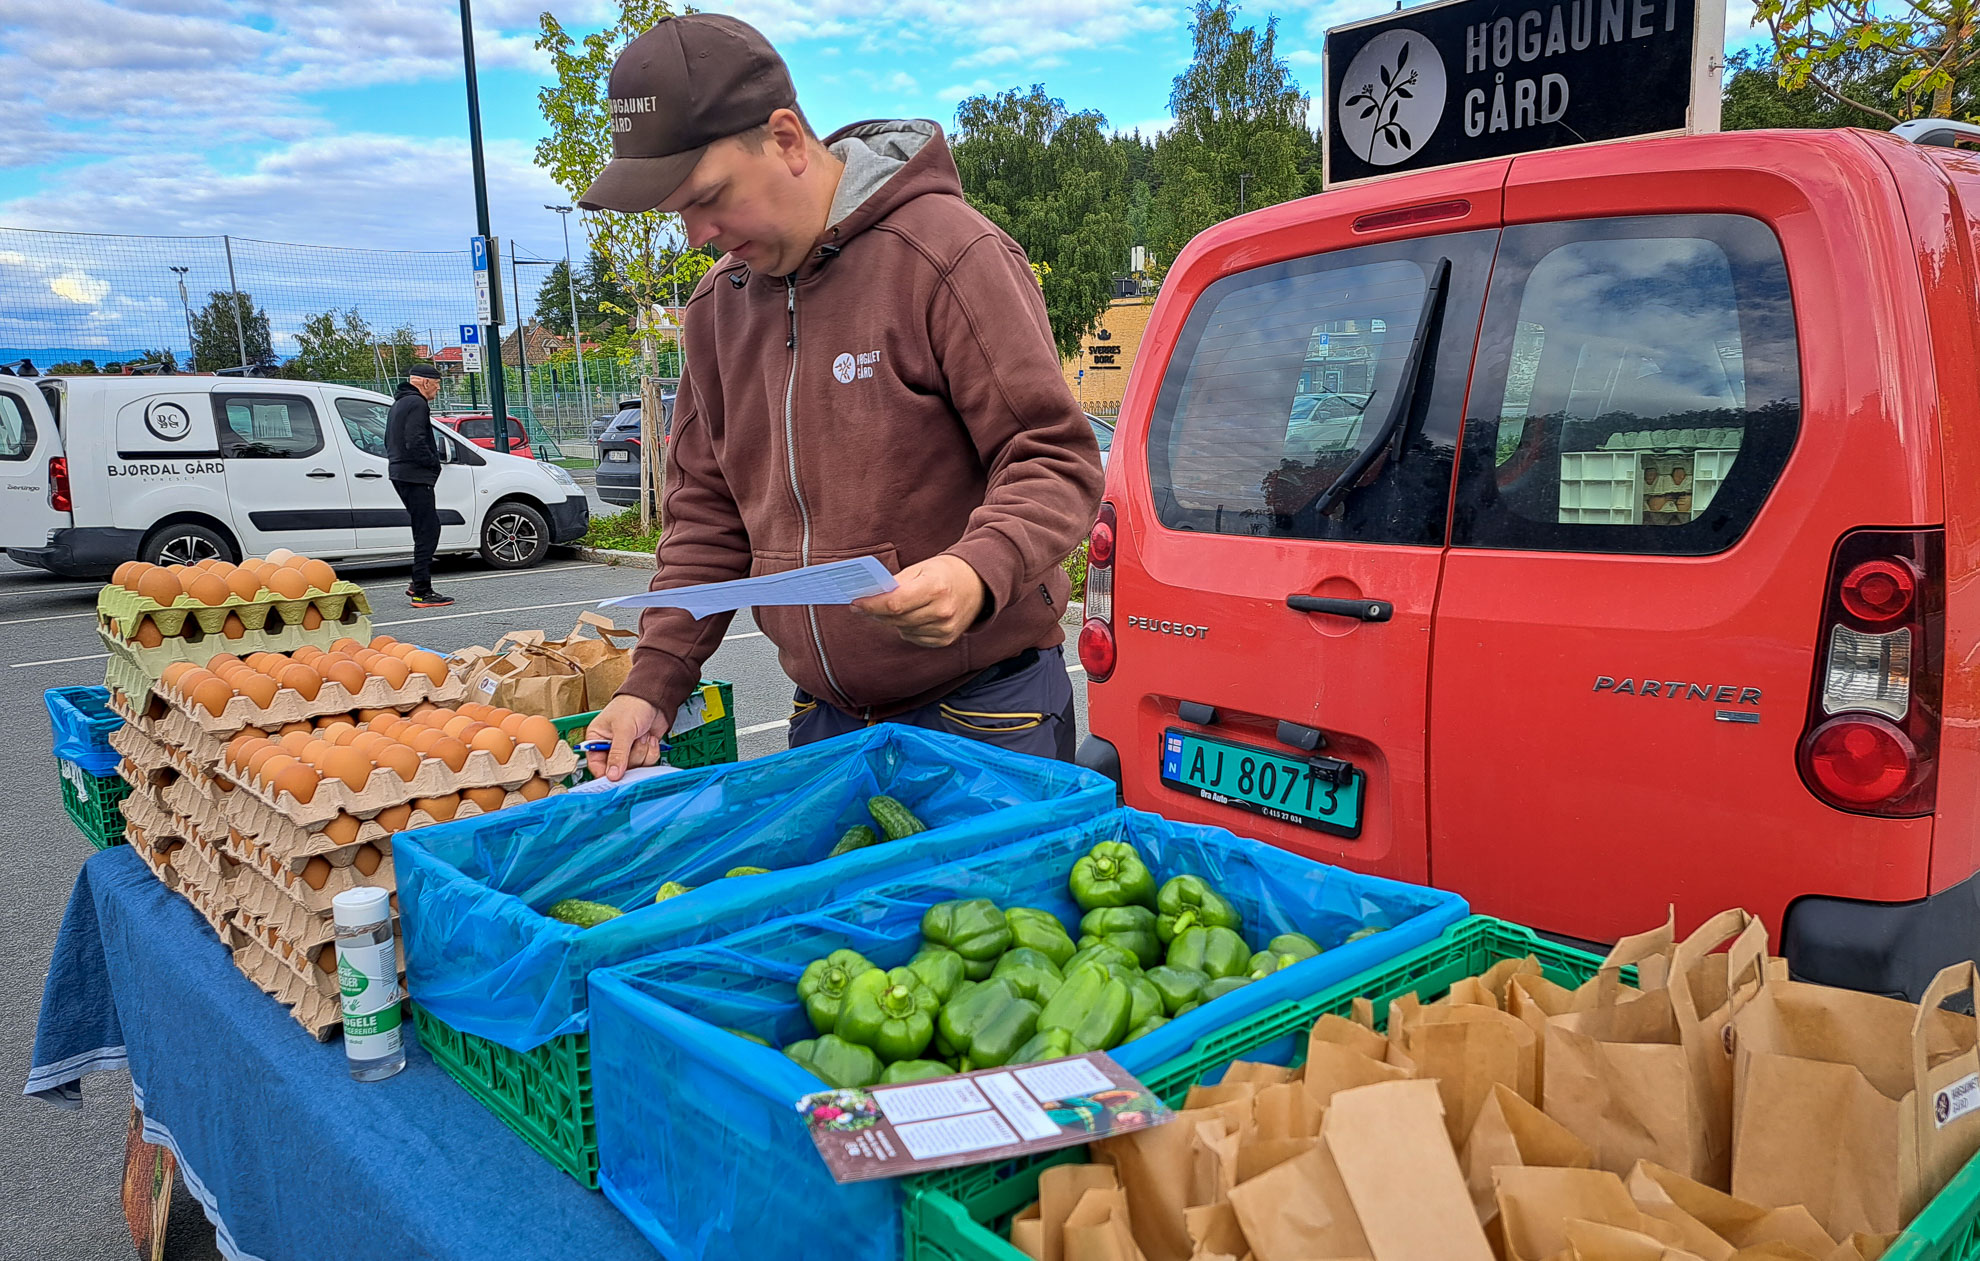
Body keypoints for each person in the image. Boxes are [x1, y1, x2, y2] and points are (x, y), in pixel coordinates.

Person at [581, 14, 1103, 781]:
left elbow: (1054, 457)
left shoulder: (947, 255)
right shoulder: (716, 310)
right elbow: (706, 516)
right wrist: (651, 685)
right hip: (824, 721)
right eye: (677, 213)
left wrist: (976, 569)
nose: (698, 234)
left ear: (788, 139)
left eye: (710, 196)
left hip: (986, 714)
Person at [384, 365, 454, 608]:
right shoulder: (417, 404)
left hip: (400, 472)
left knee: (423, 527)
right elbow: (415, 440)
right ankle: (422, 590)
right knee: (428, 529)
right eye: (437, 383)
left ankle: (418, 584)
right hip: (415, 475)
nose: (438, 388)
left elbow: (389, 440)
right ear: (425, 382)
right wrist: (432, 464)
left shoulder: (399, 404)